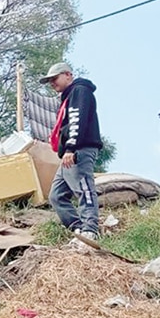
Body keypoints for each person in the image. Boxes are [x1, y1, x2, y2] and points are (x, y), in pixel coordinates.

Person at [41, 62, 103, 240]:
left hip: (79, 150)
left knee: (84, 188)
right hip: (70, 153)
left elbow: (77, 120)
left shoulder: (79, 91)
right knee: (56, 195)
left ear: (68, 75)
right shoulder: (69, 96)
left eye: (55, 78)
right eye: (50, 81)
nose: (52, 83)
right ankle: (78, 228)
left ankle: (90, 229)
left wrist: (70, 147)